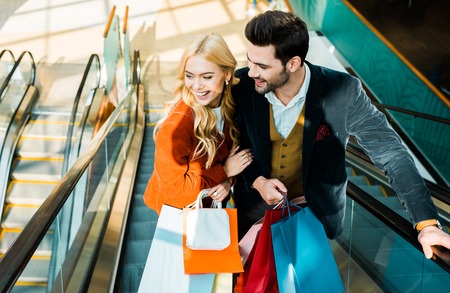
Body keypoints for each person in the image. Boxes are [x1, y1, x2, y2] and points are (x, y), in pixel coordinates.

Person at [231, 10, 450, 259]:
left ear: (293, 63)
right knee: (248, 271)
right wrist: (257, 181)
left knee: (303, 279)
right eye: (249, 61)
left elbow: (391, 152)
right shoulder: (244, 86)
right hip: (254, 207)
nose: (250, 72)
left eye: (261, 66)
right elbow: (234, 143)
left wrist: (427, 223)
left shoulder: (343, 92)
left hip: (314, 213)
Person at [143, 33, 253, 214]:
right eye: (190, 76)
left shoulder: (232, 103)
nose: (196, 86)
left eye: (207, 77)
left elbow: (236, 159)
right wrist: (224, 172)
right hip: (178, 213)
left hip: (210, 208)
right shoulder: (176, 127)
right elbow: (174, 193)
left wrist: (228, 181)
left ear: (227, 74)